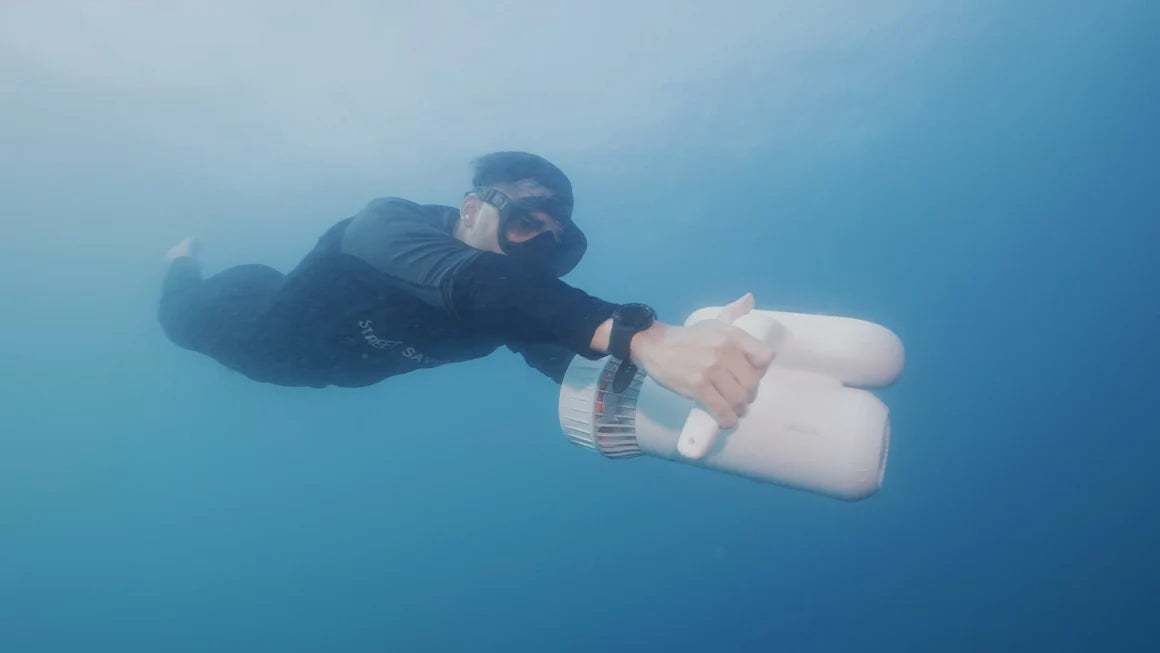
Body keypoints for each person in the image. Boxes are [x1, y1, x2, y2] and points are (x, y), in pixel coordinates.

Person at [158, 152, 774, 429]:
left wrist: (689, 379)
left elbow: (555, 343)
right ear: (474, 205)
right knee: (177, 318)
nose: (534, 248)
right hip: (240, 323)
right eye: (525, 222)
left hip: (323, 366)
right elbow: (471, 283)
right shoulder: (386, 225)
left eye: (550, 242)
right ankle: (180, 259)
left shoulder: (515, 295)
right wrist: (643, 337)